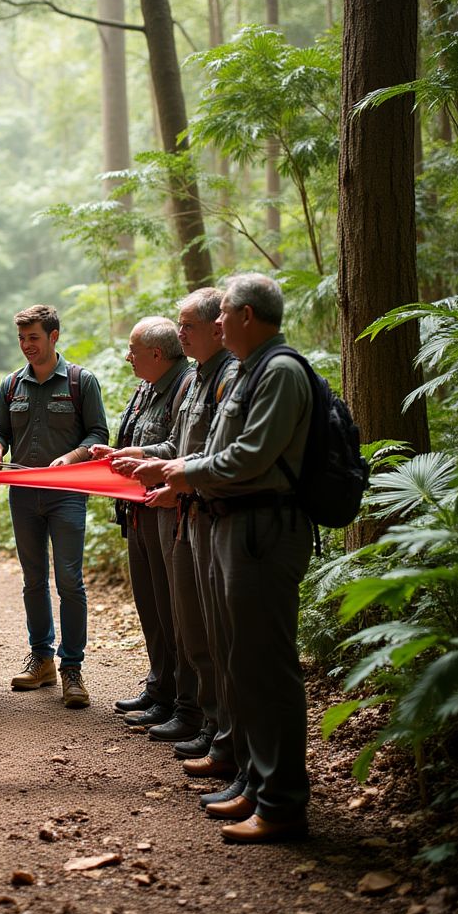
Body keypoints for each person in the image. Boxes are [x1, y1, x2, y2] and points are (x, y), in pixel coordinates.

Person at [141, 274, 313, 844]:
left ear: (246, 316)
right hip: (226, 523)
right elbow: (214, 449)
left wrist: (182, 473)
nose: (215, 325)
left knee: (264, 664)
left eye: (223, 315)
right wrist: (182, 477)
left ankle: (283, 802)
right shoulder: (242, 369)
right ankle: (252, 780)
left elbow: (252, 455)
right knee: (237, 658)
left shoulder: (281, 371)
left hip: (263, 530)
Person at [112, 290, 239, 778]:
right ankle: (192, 710)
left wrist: (168, 472)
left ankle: (206, 719)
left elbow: (221, 453)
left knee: (198, 626)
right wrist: (149, 459)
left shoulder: (221, 378)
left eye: (188, 325)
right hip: (178, 507)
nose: (182, 333)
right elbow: (181, 444)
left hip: (204, 514)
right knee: (173, 615)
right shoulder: (200, 379)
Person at [0, 304, 108, 709]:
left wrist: (72, 458)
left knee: (69, 580)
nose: (26, 346)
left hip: (67, 494)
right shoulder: (10, 385)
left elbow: (97, 433)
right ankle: (42, 660)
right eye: (21, 338)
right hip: (22, 494)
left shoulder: (80, 381)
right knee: (33, 579)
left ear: (54, 337)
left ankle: (72, 668)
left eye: (33, 338)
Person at [90, 319, 195, 741]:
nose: (127, 357)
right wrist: (119, 453)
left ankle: (184, 701)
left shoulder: (185, 386)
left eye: (133, 350)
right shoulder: (147, 387)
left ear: (156, 353)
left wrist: (136, 453)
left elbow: (179, 448)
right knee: (151, 605)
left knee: (176, 612)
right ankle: (160, 687)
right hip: (138, 509)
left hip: (168, 510)